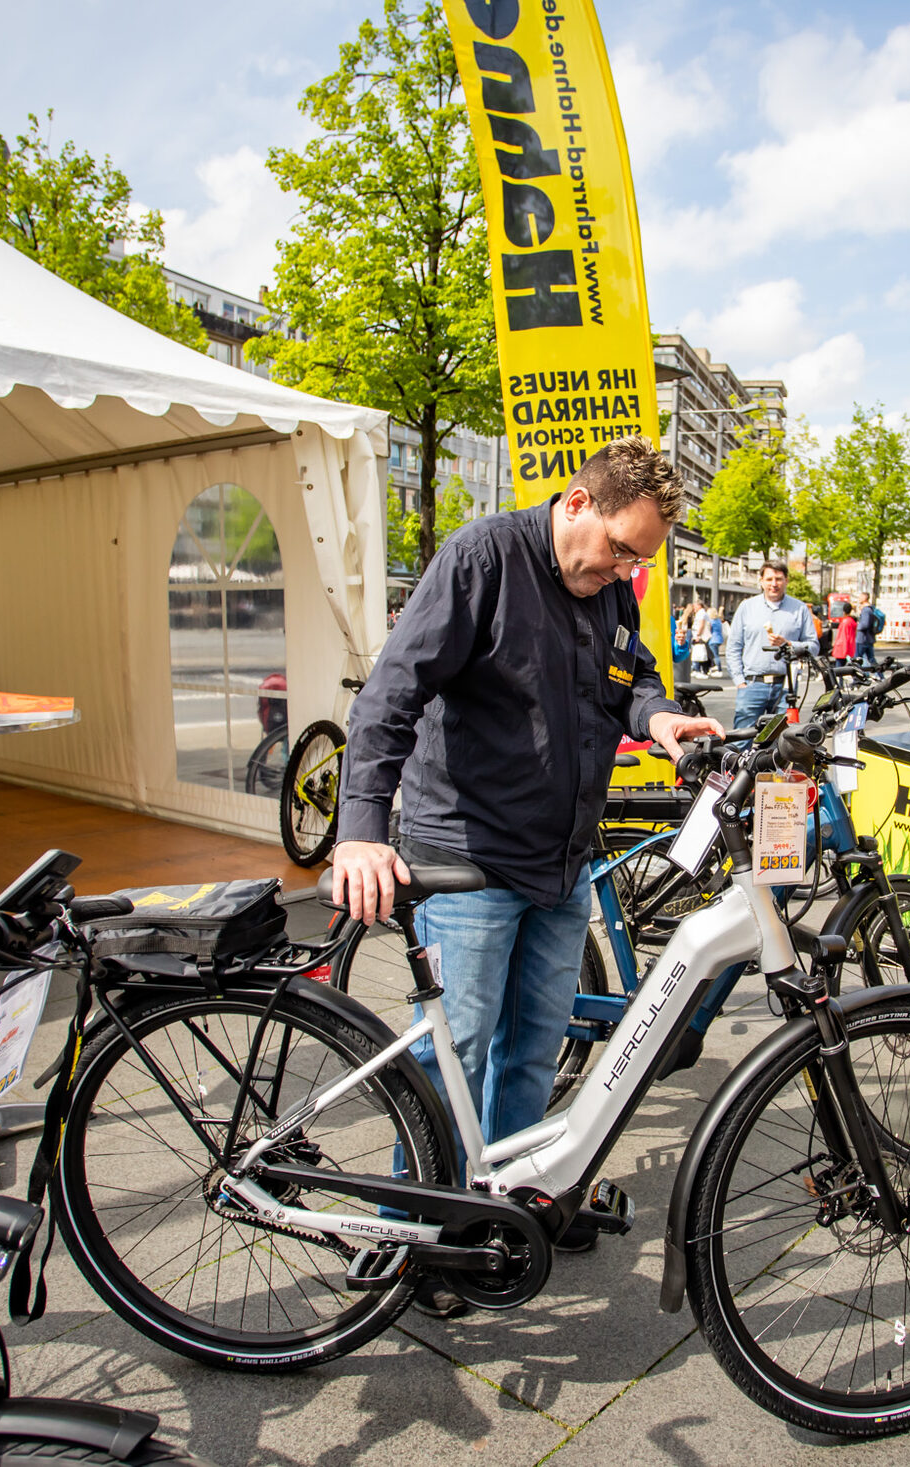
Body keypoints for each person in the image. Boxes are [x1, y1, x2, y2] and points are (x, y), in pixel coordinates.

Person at [330, 436, 723, 1316]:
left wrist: (660, 720)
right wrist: (359, 830)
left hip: (560, 862)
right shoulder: (483, 558)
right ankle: (418, 1236)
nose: (626, 569)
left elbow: (634, 678)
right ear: (577, 503)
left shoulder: (611, 585)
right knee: (455, 1053)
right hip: (468, 855)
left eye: (641, 558)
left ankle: (506, 1206)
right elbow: (391, 690)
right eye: (622, 547)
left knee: (535, 1051)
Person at [725, 562, 817, 727]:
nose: (774, 584)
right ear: (761, 581)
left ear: (786, 580)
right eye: (769, 579)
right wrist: (740, 681)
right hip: (752, 685)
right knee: (742, 739)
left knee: (783, 741)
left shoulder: (799, 609)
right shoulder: (747, 607)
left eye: (778, 579)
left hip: (786, 687)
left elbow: (813, 646)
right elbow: (733, 646)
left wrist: (789, 644)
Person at [857, 593, 885, 663]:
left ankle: (857, 673)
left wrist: (857, 626)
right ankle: (879, 673)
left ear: (865, 598)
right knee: (871, 659)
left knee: (857, 659)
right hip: (869, 638)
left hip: (863, 639)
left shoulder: (866, 610)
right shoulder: (871, 608)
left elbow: (865, 624)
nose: (859, 599)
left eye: (860, 597)